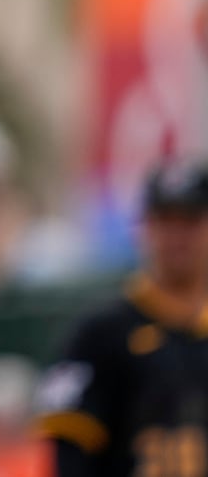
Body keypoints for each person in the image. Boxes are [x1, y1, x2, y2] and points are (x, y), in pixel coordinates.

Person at [35, 161, 208, 477]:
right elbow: (69, 453)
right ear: (145, 228)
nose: (177, 236)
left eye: (190, 222)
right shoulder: (99, 334)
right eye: (166, 221)